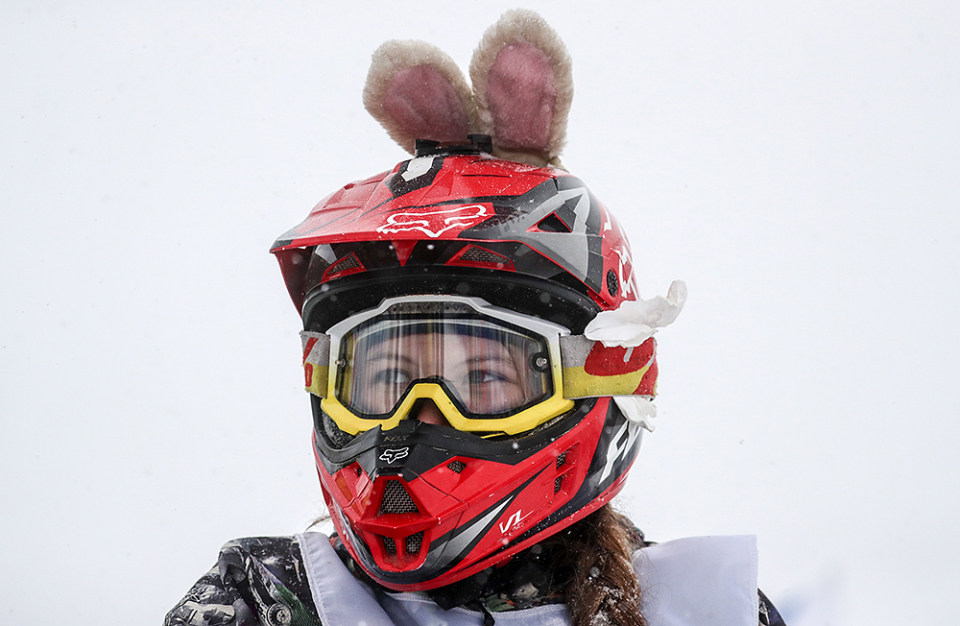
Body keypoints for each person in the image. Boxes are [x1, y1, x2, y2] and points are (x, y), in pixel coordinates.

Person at [166, 10, 786, 626]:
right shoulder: (266, 599)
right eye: (385, 378)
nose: (421, 415)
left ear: (604, 376)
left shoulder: (705, 609)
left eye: (484, 378)